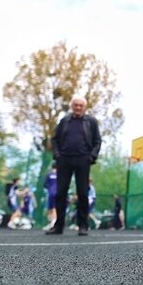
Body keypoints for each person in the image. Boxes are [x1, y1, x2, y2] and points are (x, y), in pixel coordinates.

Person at [47, 96, 101, 236]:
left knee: (82, 193)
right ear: (72, 106)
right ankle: (58, 226)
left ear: (84, 107)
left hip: (83, 160)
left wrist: (92, 156)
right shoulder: (64, 121)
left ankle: (83, 226)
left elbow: (97, 141)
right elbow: (55, 139)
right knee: (60, 193)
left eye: (81, 105)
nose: (78, 108)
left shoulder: (91, 122)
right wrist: (57, 155)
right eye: (76, 105)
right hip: (64, 160)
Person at [43, 163, 58, 230]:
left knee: (50, 208)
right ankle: (52, 223)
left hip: (50, 193)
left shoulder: (48, 175)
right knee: (54, 208)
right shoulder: (61, 175)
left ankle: (52, 223)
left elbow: (45, 185)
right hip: (58, 193)